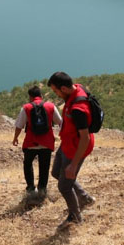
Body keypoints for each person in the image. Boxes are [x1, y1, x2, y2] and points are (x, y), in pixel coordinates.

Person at [48, 72, 96, 230]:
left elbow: (85, 138)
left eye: (56, 91)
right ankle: (84, 198)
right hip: (67, 142)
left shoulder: (78, 109)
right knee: (56, 172)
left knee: (64, 186)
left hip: (76, 148)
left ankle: (75, 217)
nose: (56, 95)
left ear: (64, 88)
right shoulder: (75, 89)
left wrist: (74, 164)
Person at [12, 86, 62, 198]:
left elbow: (19, 125)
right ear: (41, 95)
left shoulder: (26, 107)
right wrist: (63, 135)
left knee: (27, 164)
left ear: (30, 96)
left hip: (31, 143)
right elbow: (60, 122)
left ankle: (30, 188)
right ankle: (42, 189)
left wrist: (15, 138)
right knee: (44, 166)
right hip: (47, 143)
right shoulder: (51, 106)